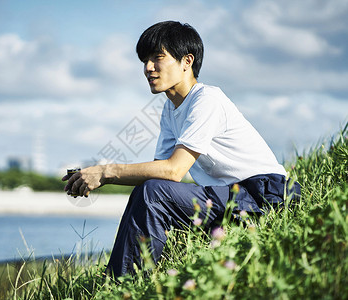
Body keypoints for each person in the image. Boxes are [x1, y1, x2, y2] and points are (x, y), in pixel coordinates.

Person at [63, 21, 300, 278]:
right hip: (229, 197)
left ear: (187, 61)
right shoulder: (170, 109)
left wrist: (106, 172)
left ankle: (124, 285)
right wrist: (94, 175)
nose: (148, 68)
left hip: (263, 196)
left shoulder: (206, 99)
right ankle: (116, 281)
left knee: (153, 193)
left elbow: (173, 171)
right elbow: (157, 173)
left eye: (157, 58)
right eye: (144, 60)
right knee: (148, 191)